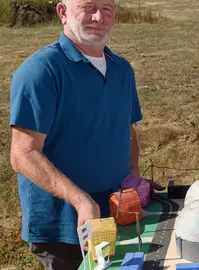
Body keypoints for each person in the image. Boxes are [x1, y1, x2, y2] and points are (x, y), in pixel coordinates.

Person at [9, 0, 162, 269]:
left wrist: (133, 175)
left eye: (107, 8)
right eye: (88, 7)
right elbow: (23, 154)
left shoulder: (122, 69)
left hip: (116, 213)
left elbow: (127, 129)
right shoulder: (41, 70)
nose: (98, 17)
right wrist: (81, 201)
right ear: (63, 12)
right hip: (65, 228)